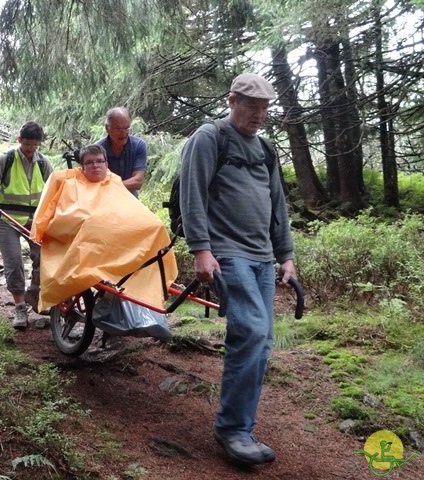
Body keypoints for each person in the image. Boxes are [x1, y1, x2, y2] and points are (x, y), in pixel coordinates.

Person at [179, 72, 297, 467]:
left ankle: (240, 425)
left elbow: (276, 204)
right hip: (227, 252)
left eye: (264, 107)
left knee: (261, 342)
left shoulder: (266, 149)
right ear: (232, 101)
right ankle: (233, 430)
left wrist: (286, 256)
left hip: (263, 257)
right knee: (251, 331)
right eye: (251, 106)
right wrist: (201, 250)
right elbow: (192, 193)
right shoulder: (209, 137)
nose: (259, 114)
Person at [30, 144, 177, 315]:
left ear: (106, 164)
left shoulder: (113, 180)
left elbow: (128, 207)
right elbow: (63, 214)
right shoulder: (70, 182)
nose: (95, 165)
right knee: (93, 225)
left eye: (99, 161)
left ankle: (145, 280)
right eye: (89, 162)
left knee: (154, 226)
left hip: (113, 229)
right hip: (89, 232)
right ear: (82, 166)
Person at [0, 121, 53, 329]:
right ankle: (19, 308)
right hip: (7, 219)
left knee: (44, 257)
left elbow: (56, 188)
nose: (30, 149)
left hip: (35, 220)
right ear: (20, 141)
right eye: (27, 145)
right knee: (14, 263)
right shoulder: (7, 158)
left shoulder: (43, 163)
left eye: (34, 146)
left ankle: (33, 293)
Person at [95, 107, 147, 197]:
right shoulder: (97, 149)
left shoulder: (138, 145)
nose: (123, 134)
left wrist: (109, 187)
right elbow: (94, 182)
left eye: (126, 128)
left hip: (130, 200)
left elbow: (138, 182)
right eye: (118, 130)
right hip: (104, 201)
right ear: (107, 128)